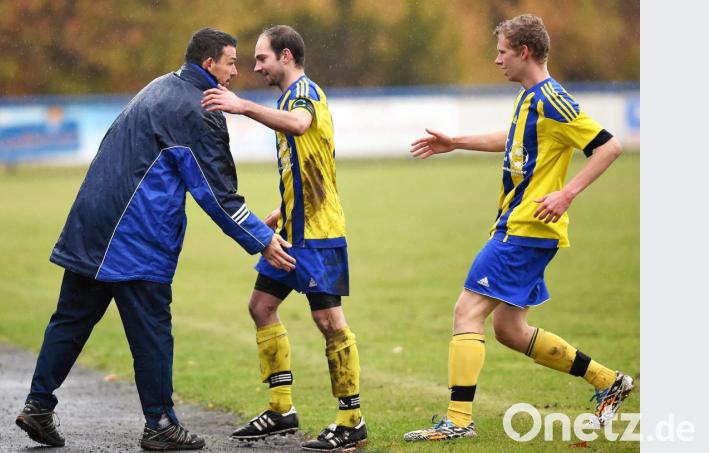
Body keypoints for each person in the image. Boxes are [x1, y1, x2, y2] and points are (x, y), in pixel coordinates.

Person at [14, 28, 295, 451]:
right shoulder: (200, 110)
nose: (237, 71)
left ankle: (38, 405)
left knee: (71, 319)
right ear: (209, 65)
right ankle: (160, 423)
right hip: (133, 236)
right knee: (152, 331)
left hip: (91, 224)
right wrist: (261, 239)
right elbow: (217, 194)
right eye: (232, 62)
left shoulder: (160, 85)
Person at [402, 14, 634, 442]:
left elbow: (609, 146)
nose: (496, 60)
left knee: (466, 311)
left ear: (524, 52)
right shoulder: (529, 98)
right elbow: (511, 139)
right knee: (509, 330)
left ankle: (458, 419)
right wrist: (455, 142)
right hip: (520, 227)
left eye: (502, 52)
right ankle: (608, 380)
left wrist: (567, 194)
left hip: (526, 228)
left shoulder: (553, 98)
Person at [201, 25, 367, 451]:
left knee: (329, 321)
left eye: (262, 58)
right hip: (294, 229)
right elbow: (307, 160)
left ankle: (351, 421)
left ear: (287, 56)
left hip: (319, 233)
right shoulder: (287, 96)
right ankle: (281, 410)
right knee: (261, 306)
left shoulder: (303, 94)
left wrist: (240, 106)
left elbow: (299, 125)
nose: (255, 67)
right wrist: (281, 210)